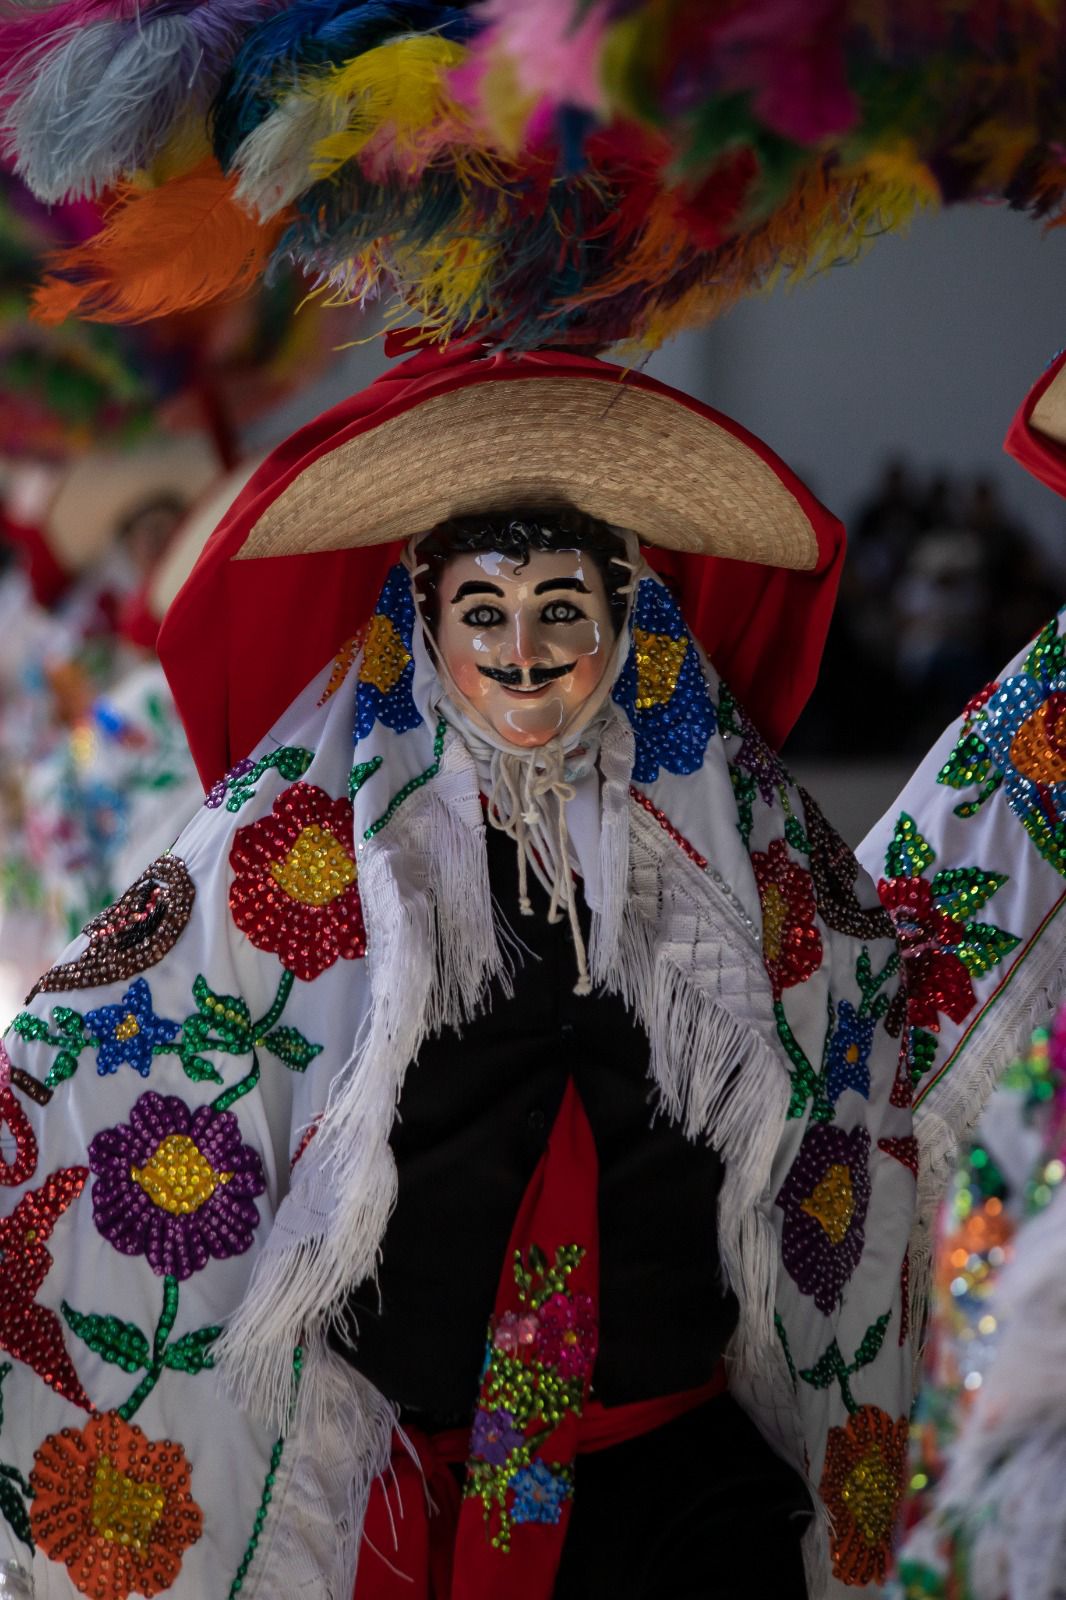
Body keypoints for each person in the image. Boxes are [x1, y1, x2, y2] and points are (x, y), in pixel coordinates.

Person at [0, 343, 1060, 1600]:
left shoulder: (736, 843)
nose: (524, 654)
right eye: (483, 616)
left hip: (684, 1494)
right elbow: (79, 1069)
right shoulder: (297, 852)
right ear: (421, 618)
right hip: (410, 1511)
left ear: (623, 614)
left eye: (561, 609)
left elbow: (888, 1005)